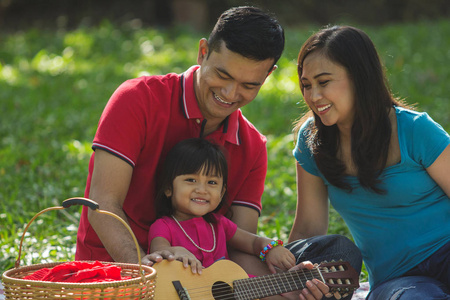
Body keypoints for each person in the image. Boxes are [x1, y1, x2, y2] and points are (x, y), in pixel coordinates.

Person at [75, 6, 361, 299]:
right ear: (202, 53)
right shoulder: (138, 99)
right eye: (222, 74)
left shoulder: (251, 146)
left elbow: (235, 245)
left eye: (249, 85)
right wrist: (146, 274)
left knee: (336, 253)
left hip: (202, 285)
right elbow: (102, 202)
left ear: (268, 75)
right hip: (117, 272)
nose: (230, 93)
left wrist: (278, 287)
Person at [291, 25, 450, 300]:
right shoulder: (312, 141)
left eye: (324, 81)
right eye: (306, 85)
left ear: (359, 77)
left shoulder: (415, 130)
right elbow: (308, 228)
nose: (313, 96)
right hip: (399, 279)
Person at [149, 138, 296, 279]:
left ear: (222, 192)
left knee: (274, 291)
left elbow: (252, 243)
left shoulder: (219, 224)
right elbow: (158, 251)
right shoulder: (164, 226)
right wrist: (175, 251)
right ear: (168, 188)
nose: (202, 190)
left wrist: (270, 248)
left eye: (212, 182)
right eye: (191, 180)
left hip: (228, 290)